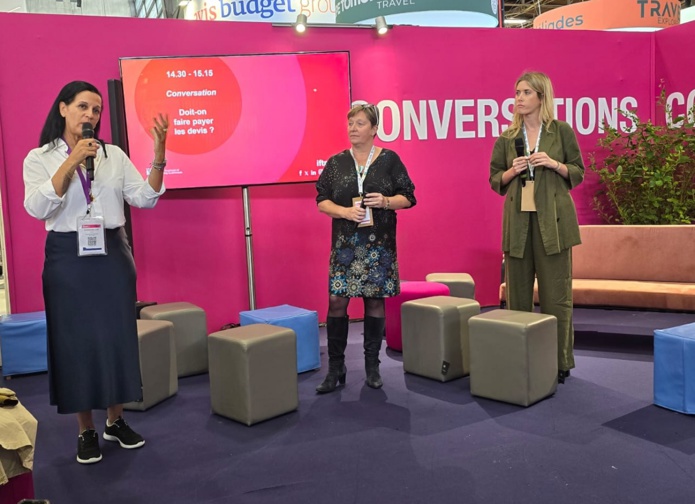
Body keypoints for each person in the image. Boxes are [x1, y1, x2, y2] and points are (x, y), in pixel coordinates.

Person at [23, 81, 169, 464]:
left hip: (111, 255)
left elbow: (145, 198)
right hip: (67, 258)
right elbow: (38, 208)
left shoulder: (114, 155)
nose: (91, 116)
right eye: (84, 107)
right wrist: (72, 161)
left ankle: (115, 421)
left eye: (97, 110)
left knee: (115, 337)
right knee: (77, 342)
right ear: (63, 109)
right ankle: (85, 428)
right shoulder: (38, 157)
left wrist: (159, 155)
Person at [489, 71, 585, 384]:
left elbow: (578, 171)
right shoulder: (507, 137)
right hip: (518, 224)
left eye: (526, 92)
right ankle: (521, 357)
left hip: (553, 224)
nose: (518, 98)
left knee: (557, 295)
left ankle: (560, 362)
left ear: (541, 97)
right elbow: (494, 179)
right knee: (517, 297)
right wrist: (510, 172)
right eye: (517, 92)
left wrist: (553, 164)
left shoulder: (561, 132)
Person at [315, 102, 416, 393]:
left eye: (360, 124)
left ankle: (372, 366)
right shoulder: (336, 163)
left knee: (374, 301)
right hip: (345, 245)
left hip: (379, 246)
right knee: (337, 302)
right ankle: (336, 368)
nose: (353, 129)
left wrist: (385, 201)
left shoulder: (390, 160)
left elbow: (408, 197)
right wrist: (345, 212)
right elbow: (321, 200)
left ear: (374, 130)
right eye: (350, 124)